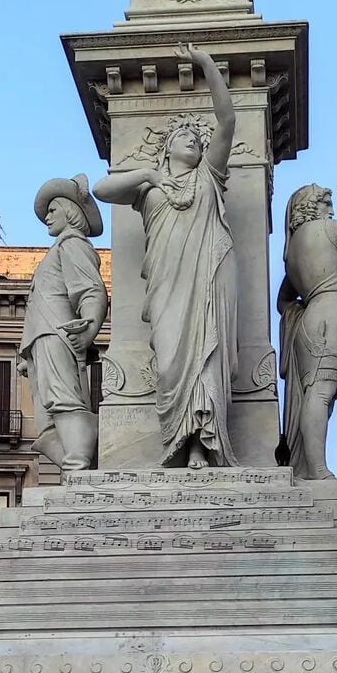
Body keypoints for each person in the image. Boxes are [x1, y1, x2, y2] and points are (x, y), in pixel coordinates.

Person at [94, 44, 237, 469]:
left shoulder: (209, 174)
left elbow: (228, 121)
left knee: (205, 354)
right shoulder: (148, 188)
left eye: (197, 139)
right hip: (165, 282)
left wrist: (207, 64)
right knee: (171, 361)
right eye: (184, 138)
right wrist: (148, 174)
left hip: (207, 276)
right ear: (168, 148)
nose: (194, 141)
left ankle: (199, 445)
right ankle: (175, 438)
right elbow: (102, 190)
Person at [276, 184, 337, 480]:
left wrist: (305, 307)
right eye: (326, 203)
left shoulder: (292, 252)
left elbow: (283, 302)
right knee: (322, 392)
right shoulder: (333, 229)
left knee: (315, 392)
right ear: (309, 206)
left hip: (309, 320)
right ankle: (317, 470)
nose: (331, 210)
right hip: (332, 314)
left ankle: (312, 466)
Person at [17, 175, 108, 471]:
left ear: (70, 212)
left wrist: (89, 328)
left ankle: (79, 466)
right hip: (42, 338)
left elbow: (91, 289)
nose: (47, 217)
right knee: (48, 417)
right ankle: (78, 466)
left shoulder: (73, 244)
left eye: (52, 210)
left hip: (58, 334)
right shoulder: (58, 249)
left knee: (64, 400)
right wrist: (28, 353)